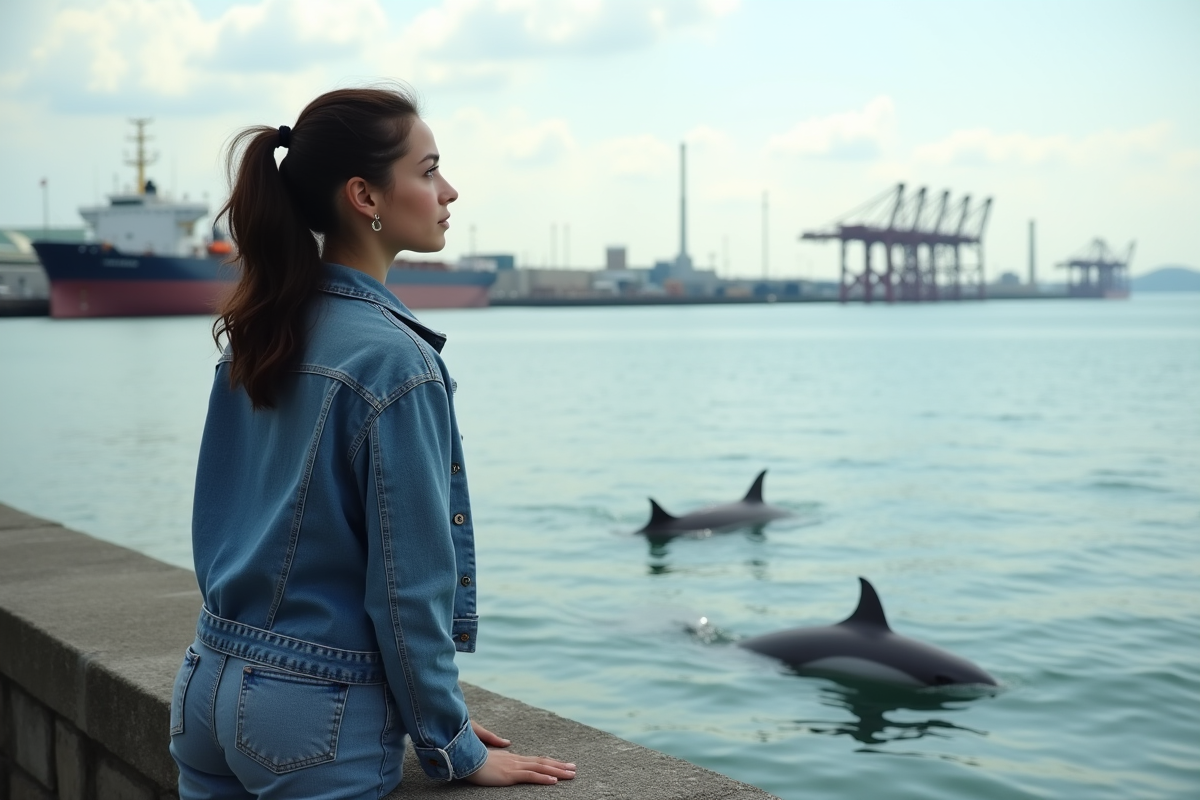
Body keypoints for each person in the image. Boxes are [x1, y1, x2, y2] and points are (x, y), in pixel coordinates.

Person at [168, 86, 576, 799]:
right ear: (366, 196)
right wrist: (446, 738)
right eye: (428, 170)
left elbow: (222, 523)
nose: (449, 190)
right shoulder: (395, 362)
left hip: (207, 683)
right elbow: (408, 588)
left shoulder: (258, 332)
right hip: (312, 715)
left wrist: (429, 717)